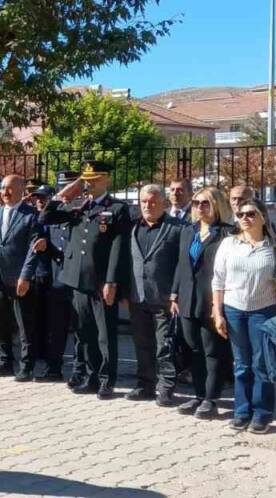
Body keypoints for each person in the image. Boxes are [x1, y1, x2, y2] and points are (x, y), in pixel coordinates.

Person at [39, 160, 131, 399]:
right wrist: (67, 191)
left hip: (101, 282)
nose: (90, 184)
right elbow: (45, 217)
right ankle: (90, 377)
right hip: (77, 279)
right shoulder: (79, 206)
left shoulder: (118, 209)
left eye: (95, 179)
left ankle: (106, 380)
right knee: (85, 332)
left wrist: (112, 281)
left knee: (104, 335)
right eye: (87, 180)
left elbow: (118, 249)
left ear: (107, 179)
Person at [212, 198, 276, 433]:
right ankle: (242, 411)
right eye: (240, 215)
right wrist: (217, 311)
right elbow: (218, 280)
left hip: (264, 310)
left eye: (251, 214)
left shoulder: (273, 246)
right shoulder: (229, 244)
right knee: (241, 364)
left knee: (261, 363)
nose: (245, 219)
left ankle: (262, 413)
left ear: (262, 216)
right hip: (234, 309)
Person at [169, 186, 231, 418]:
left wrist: (220, 304)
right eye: (196, 203)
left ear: (216, 205)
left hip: (211, 300)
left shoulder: (227, 233)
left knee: (212, 351)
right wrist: (174, 294)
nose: (200, 207)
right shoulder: (188, 231)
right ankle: (198, 395)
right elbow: (180, 265)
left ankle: (211, 399)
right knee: (193, 349)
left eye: (205, 203)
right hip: (187, 298)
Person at [0, 174, 44, 380]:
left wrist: (25, 277)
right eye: (3, 188)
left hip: (19, 280)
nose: (5, 192)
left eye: (10, 188)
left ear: (21, 190)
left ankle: (26, 366)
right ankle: (4, 362)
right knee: (0, 322)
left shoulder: (31, 215)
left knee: (24, 325)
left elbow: (34, 250)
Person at [126, 184, 185, 404]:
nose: (148, 205)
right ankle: (144, 385)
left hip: (164, 298)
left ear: (163, 203)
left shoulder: (177, 228)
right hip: (137, 296)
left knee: (164, 346)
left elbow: (182, 264)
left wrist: (175, 293)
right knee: (142, 344)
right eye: (144, 201)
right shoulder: (132, 227)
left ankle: (166, 387)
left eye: (153, 201)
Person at [28, 180, 70, 382]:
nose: (39, 201)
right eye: (37, 198)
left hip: (68, 277)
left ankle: (78, 369)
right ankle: (52, 366)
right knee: (52, 325)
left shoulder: (69, 214)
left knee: (70, 327)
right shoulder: (42, 217)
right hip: (50, 277)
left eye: (43, 198)